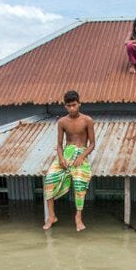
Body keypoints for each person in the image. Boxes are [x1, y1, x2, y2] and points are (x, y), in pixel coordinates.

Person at [43, 90, 95, 231]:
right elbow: (59, 145)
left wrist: (81, 157)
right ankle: (52, 216)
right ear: (65, 106)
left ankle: (78, 217)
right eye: (69, 106)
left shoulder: (87, 120)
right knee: (49, 178)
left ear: (79, 104)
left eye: (74, 105)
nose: (72, 108)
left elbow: (92, 144)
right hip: (66, 154)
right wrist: (61, 159)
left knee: (79, 182)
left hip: (81, 155)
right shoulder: (62, 122)